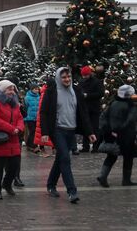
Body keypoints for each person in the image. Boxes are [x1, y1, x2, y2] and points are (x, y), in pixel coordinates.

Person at [40, 67, 95, 203]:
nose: (67, 79)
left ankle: (51, 185)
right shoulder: (52, 91)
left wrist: (90, 132)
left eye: (69, 77)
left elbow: (83, 112)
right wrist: (45, 132)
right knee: (65, 158)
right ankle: (72, 191)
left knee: (60, 158)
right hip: (58, 130)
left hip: (71, 130)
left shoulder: (76, 91)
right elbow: (44, 112)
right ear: (59, 78)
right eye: (64, 77)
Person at [0, 80, 24, 200]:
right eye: (9, 89)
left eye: (13, 89)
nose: (12, 92)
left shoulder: (14, 104)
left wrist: (19, 128)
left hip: (13, 139)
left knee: (14, 165)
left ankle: (7, 184)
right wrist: (11, 129)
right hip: (1, 138)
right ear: (3, 90)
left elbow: (20, 118)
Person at [96, 84, 137, 187]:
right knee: (128, 158)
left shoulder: (113, 103)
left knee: (111, 156)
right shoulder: (130, 105)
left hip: (113, 135)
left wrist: (108, 130)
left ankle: (103, 176)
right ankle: (126, 180)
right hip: (127, 136)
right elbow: (130, 121)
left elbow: (103, 117)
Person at [78, 66, 105, 153]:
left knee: (94, 127)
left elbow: (101, 93)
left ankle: (95, 146)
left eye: (85, 75)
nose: (84, 77)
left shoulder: (96, 82)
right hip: (85, 107)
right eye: (83, 75)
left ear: (89, 74)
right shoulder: (81, 81)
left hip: (94, 108)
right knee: (85, 126)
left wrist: (88, 95)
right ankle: (85, 146)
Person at [24, 83, 40, 153]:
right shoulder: (27, 97)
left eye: (37, 89)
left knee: (35, 132)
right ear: (31, 89)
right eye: (35, 89)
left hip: (36, 117)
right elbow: (25, 107)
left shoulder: (39, 97)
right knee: (32, 131)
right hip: (29, 117)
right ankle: (32, 145)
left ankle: (30, 145)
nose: (36, 90)